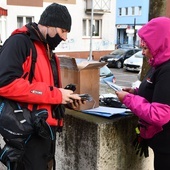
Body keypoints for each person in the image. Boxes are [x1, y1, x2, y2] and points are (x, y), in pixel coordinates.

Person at [0, 3, 85, 170]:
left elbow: (44, 90)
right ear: (49, 25)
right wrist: (56, 95)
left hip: (45, 131)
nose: (65, 38)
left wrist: (64, 99)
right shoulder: (20, 43)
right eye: (63, 31)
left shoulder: (48, 49)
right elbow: (4, 83)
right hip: (26, 133)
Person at [116, 17, 170, 170]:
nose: (143, 52)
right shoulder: (159, 64)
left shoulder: (167, 70)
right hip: (161, 148)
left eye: (146, 48)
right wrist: (135, 92)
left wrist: (129, 99)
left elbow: (159, 114)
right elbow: (157, 92)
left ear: (159, 44)